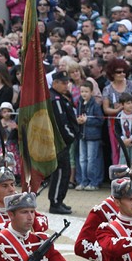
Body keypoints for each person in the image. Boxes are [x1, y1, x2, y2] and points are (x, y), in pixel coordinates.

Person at [48, 70, 78, 215]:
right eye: (64, 82)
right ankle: (55, 202)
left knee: (64, 172)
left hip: (60, 141)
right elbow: (61, 122)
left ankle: (59, 200)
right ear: (55, 83)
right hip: (60, 142)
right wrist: (71, 136)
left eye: (67, 82)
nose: (67, 85)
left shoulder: (59, 97)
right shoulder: (56, 100)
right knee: (60, 172)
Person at [75, 80, 103, 191]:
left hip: (93, 137)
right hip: (82, 135)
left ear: (91, 92)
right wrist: (78, 120)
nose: (84, 94)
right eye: (82, 91)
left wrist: (87, 121)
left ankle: (93, 182)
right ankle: (83, 181)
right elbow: (77, 116)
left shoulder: (95, 105)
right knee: (82, 159)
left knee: (92, 160)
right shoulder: (79, 103)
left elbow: (100, 121)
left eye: (86, 91)